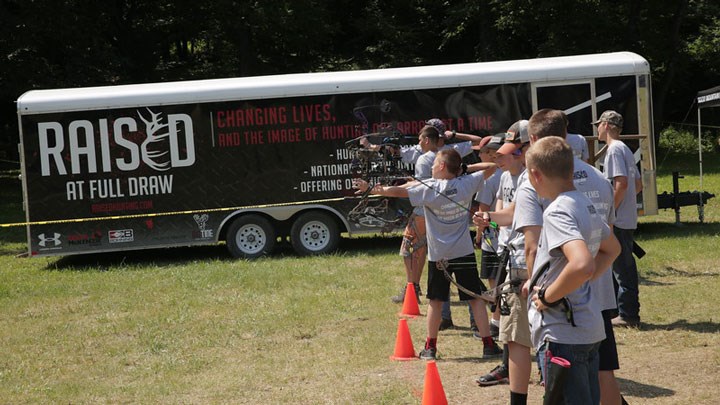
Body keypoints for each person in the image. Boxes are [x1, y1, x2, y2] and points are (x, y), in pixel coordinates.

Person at [353, 149, 502, 360]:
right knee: (475, 299)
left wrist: (374, 189)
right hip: (463, 252)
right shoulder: (466, 183)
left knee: (436, 301)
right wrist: (463, 170)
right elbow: (491, 166)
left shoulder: (430, 188)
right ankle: (488, 345)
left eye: (435, 164)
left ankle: (430, 348)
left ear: (441, 167)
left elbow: (399, 192)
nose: (431, 167)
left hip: (439, 255)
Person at [526, 136, 621, 405]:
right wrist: (580, 282)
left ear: (535, 175)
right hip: (588, 328)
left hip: (562, 335)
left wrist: (548, 296)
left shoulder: (557, 211)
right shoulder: (583, 203)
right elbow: (612, 249)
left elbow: (581, 264)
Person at [474, 121, 535, 404]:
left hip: (527, 257)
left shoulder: (531, 178)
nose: (498, 158)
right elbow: (502, 207)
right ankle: (507, 367)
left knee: (521, 325)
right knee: (509, 318)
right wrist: (489, 221)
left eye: (504, 153)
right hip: (510, 251)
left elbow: (512, 213)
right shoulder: (506, 178)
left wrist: (490, 219)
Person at [594, 110, 642, 328]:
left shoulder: (613, 150)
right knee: (620, 266)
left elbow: (620, 184)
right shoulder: (626, 149)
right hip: (627, 217)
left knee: (623, 269)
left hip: (619, 220)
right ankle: (618, 311)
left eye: (599, 125)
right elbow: (638, 185)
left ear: (606, 125)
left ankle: (628, 314)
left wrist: (608, 212)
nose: (597, 129)